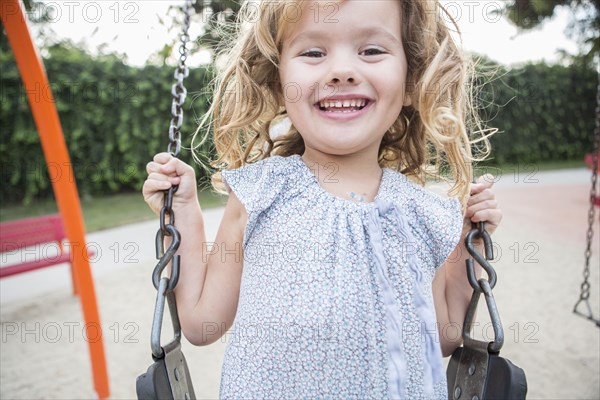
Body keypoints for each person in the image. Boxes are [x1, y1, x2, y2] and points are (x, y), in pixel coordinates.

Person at [143, 0, 502, 398]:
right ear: (280, 82)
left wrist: (468, 250)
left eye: (371, 50)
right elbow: (201, 323)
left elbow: (441, 338)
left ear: (411, 80)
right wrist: (183, 213)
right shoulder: (262, 194)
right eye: (313, 52)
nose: (342, 71)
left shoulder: (419, 213)